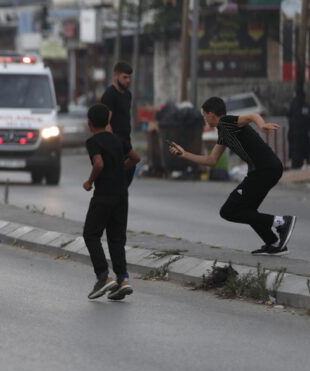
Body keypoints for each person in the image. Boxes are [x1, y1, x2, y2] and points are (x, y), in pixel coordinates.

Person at [168, 97, 297, 256]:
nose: (204, 119)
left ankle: (282, 222)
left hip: (265, 170)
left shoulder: (227, 122)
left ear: (211, 114)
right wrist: (184, 154)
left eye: (204, 115)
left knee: (228, 211)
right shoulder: (223, 132)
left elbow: (251, 116)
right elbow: (211, 160)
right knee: (247, 209)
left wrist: (262, 125)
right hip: (266, 169)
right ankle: (274, 243)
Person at [82, 104, 140, 300]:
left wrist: (90, 181)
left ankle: (104, 277)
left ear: (90, 123)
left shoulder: (93, 141)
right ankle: (122, 280)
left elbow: (98, 163)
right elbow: (135, 158)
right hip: (121, 195)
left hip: (104, 195)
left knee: (91, 234)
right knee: (116, 239)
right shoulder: (118, 140)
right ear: (108, 122)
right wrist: (119, 168)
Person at [101, 61, 135, 186]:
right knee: (115, 182)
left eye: (129, 77)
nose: (128, 80)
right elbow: (106, 122)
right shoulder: (109, 95)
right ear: (115, 76)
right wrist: (112, 144)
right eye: (124, 77)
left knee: (128, 175)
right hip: (115, 144)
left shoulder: (127, 95)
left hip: (126, 142)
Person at [287, 94, 310, 169]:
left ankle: (297, 162)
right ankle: (305, 162)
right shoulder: (304, 106)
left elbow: (288, 115)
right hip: (302, 132)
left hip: (296, 131)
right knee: (304, 147)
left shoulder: (295, 105)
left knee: (296, 148)